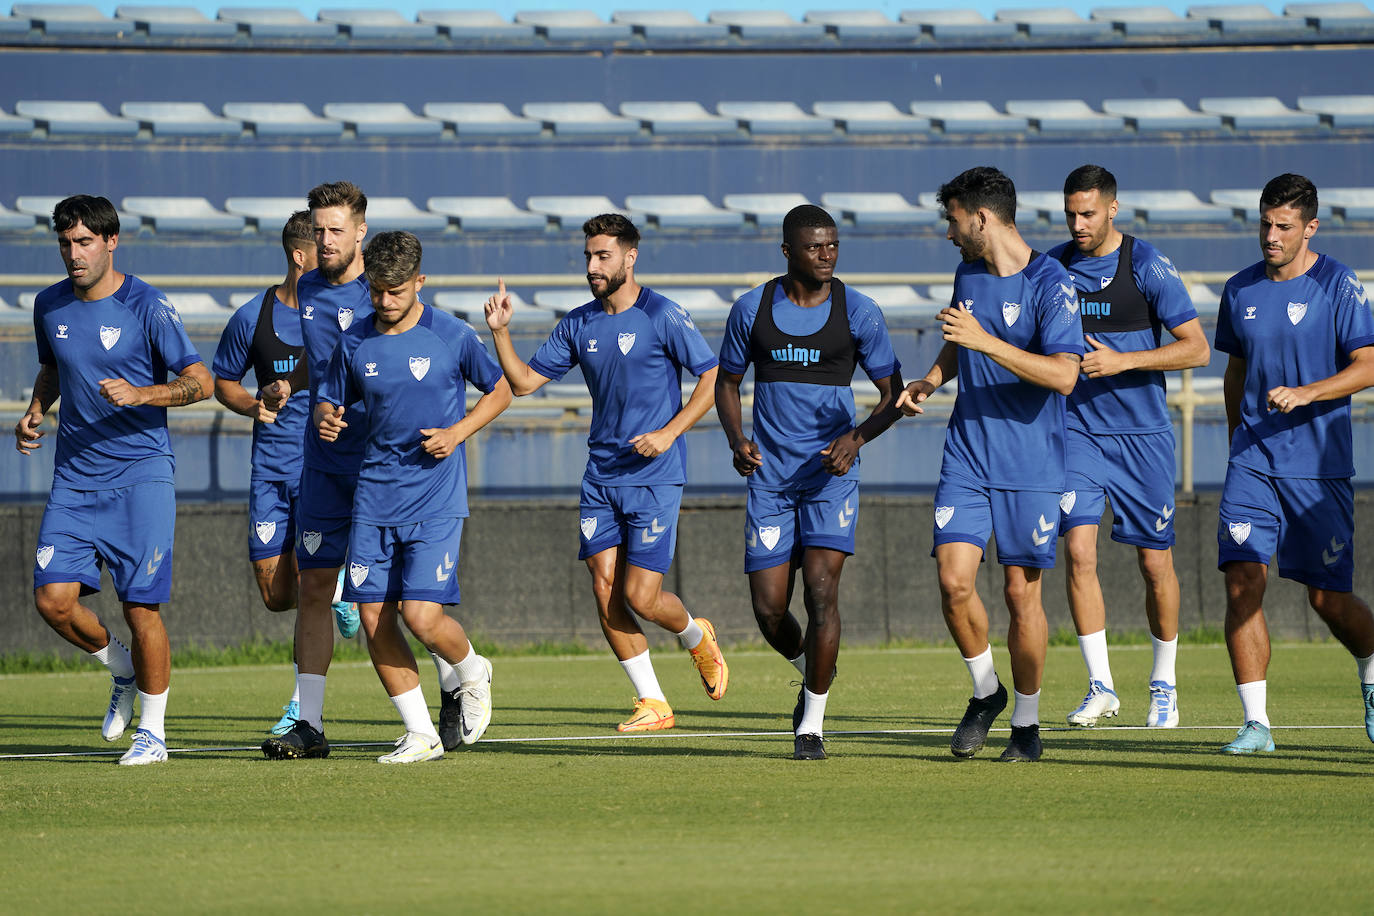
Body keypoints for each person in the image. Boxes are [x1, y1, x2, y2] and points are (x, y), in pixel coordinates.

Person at [484, 213, 728, 732]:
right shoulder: (578, 322)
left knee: (641, 596)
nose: (593, 266)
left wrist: (669, 432)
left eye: (603, 256)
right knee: (603, 588)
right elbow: (524, 383)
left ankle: (695, 637)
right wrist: (501, 334)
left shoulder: (663, 314)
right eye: (589, 256)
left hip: (654, 474)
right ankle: (653, 702)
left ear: (630, 257)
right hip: (601, 476)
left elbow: (713, 377)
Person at [15, 194, 212, 765]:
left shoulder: (147, 305)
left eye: (83, 243)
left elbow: (199, 381)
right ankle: (121, 668)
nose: (73, 255)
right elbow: (53, 366)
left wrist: (145, 393)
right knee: (53, 601)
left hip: (140, 477)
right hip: (74, 480)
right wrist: (35, 412)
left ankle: (153, 734)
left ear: (110, 242)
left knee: (140, 607)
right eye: (64, 243)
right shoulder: (48, 304)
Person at [896, 166, 1083, 762]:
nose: (949, 232)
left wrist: (986, 342)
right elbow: (961, 337)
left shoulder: (1052, 283)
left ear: (980, 217)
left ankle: (1026, 726)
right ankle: (986, 692)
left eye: (953, 219)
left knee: (1020, 595)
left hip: (1031, 463)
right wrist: (931, 377)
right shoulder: (967, 273)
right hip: (968, 453)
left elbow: (1064, 374)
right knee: (954, 583)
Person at [716, 205, 903, 761]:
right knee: (770, 610)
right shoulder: (752, 309)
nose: (827, 256)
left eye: (833, 246)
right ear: (788, 252)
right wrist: (736, 439)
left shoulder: (859, 312)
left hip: (829, 480)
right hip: (771, 481)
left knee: (822, 592)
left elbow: (894, 395)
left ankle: (811, 725)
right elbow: (726, 383)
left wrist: (857, 438)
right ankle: (812, 668)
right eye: (815, 248)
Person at [315, 231, 510, 762]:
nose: (383, 301)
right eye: (375, 290)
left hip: (434, 499)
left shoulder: (452, 334)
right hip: (372, 498)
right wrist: (327, 419)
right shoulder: (354, 339)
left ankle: (472, 669)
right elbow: (329, 398)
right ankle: (421, 732)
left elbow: (500, 390)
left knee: (421, 617)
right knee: (375, 620)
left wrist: (458, 432)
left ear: (419, 282)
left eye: (395, 291)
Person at [1213, 173, 1374, 754]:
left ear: (1310, 227)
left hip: (1317, 469)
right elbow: (1235, 372)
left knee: (1327, 599)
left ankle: (1372, 672)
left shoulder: (1338, 284)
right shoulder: (1240, 290)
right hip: (1252, 461)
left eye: (1284, 226)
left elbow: (1368, 364)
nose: (1271, 236)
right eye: (1264, 224)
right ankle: (1257, 723)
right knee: (1241, 583)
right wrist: (1236, 437)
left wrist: (1310, 392)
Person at [1049, 165, 1210, 729]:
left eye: (1088, 213)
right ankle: (1101, 687)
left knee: (1153, 563)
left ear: (1113, 209)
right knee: (1077, 552)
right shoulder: (1054, 267)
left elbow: (1196, 349)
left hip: (1143, 439)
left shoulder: (1146, 265)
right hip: (1078, 434)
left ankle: (1163, 683)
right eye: (1070, 213)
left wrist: (1124, 360)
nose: (1078, 224)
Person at [212, 210, 324, 736]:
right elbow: (223, 383)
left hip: (321, 473)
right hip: (269, 473)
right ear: (300, 256)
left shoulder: (343, 317)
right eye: (321, 246)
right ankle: (338, 592)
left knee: (314, 586)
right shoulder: (251, 317)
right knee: (277, 595)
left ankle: (303, 706)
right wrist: (256, 402)